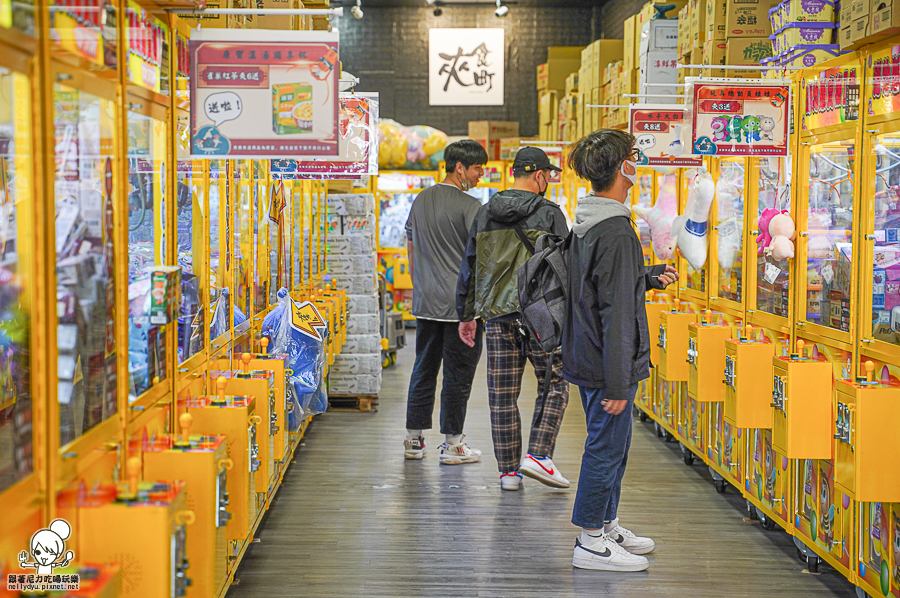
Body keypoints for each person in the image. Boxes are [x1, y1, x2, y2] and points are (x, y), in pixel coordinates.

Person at [563, 129, 679, 572]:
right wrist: (616, 381)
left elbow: (595, 287)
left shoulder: (591, 221)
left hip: (588, 353)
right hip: (605, 363)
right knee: (605, 448)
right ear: (619, 168)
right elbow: (614, 312)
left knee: (617, 445)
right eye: (633, 155)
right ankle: (590, 541)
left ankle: (606, 523)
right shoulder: (615, 231)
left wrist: (645, 276)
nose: (638, 160)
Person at [457, 147, 570, 491]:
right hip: (541, 319)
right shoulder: (550, 214)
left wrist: (466, 315)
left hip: (496, 316)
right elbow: (565, 270)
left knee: (502, 394)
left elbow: (470, 265)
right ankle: (538, 453)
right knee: (555, 384)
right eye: (548, 176)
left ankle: (508, 473)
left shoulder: (484, 212)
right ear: (539, 176)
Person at [403, 139, 488, 464]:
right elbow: (479, 258)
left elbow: (411, 248)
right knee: (458, 374)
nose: (481, 174)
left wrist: (421, 285)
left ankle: (414, 440)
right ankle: (453, 444)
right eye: (478, 167)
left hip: (426, 304)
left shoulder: (421, 199)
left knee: (423, 369)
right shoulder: (471, 206)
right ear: (459, 168)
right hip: (460, 308)